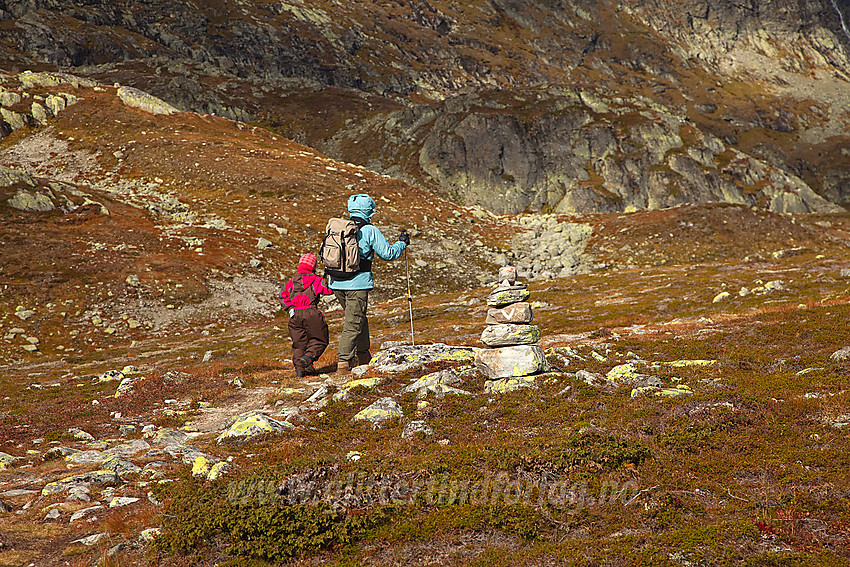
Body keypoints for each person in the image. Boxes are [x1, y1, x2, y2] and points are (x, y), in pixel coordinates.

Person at [328, 194, 409, 374]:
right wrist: (401, 243)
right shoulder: (370, 230)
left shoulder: (337, 228)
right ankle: (343, 363)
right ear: (368, 212)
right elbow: (388, 254)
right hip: (357, 284)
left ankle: (364, 355)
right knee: (353, 322)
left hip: (336, 282)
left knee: (358, 318)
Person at [280, 253, 334, 378]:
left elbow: (283, 296)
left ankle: (300, 370)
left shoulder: (291, 282)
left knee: (299, 344)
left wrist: (290, 309)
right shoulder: (316, 280)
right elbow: (329, 290)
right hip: (312, 312)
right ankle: (308, 357)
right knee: (320, 340)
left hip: (295, 316)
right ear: (313, 267)